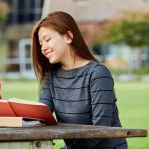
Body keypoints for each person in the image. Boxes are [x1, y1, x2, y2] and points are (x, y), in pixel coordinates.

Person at [31, 11, 127, 149]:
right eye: (40, 44)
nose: (43, 48)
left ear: (69, 37)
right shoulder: (50, 76)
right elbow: (41, 118)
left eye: (47, 39)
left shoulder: (98, 73)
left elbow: (100, 129)